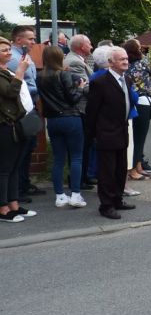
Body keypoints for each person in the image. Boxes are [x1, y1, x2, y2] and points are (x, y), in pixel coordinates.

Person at [85, 46, 137, 219]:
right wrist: (92, 134)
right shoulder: (100, 83)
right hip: (106, 134)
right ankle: (106, 206)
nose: (125, 62)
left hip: (122, 131)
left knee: (121, 170)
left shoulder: (126, 80)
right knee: (107, 172)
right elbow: (92, 111)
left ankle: (117, 199)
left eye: (126, 59)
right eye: (121, 59)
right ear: (110, 62)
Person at [37, 46, 88, 208]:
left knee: (58, 159)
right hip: (70, 118)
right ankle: (75, 194)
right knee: (76, 157)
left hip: (52, 120)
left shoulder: (40, 76)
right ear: (60, 58)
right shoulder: (63, 74)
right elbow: (73, 98)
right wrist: (80, 88)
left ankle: (59, 196)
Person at [0, 37, 37, 222]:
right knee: (5, 168)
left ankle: (13, 203)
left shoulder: (6, 71)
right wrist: (21, 72)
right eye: (4, 50)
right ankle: (3, 208)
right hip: (4, 127)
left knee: (14, 166)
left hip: (16, 124)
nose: (8, 52)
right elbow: (10, 93)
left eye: (8, 49)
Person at [7, 26, 45, 201]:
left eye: (34, 38)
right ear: (18, 39)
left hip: (29, 108)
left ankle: (24, 183)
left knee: (29, 147)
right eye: (30, 39)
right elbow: (19, 84)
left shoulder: (25, 55)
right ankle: (18, 189)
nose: (33, 42)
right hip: (21, 110)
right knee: (21, 150)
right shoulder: (14, 59)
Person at [123, 39, 151, 181]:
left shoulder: (126, 65)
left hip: (131, 102)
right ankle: (134, 170)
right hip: (143, 101)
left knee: (134, 137)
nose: (141, 47)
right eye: (139, 46)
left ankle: (138, 167)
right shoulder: (142, 64)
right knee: (139, 138)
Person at [65, 34, 97, 191]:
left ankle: (84, 177)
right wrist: (102, 86)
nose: (91, 46)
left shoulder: (78, 59)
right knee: (82, 147)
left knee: (86, 145)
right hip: (81, 109)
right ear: (81, 46)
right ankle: (78, 180)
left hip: (83, 109)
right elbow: (84, 87)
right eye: (89, 43)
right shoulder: (74, 62)